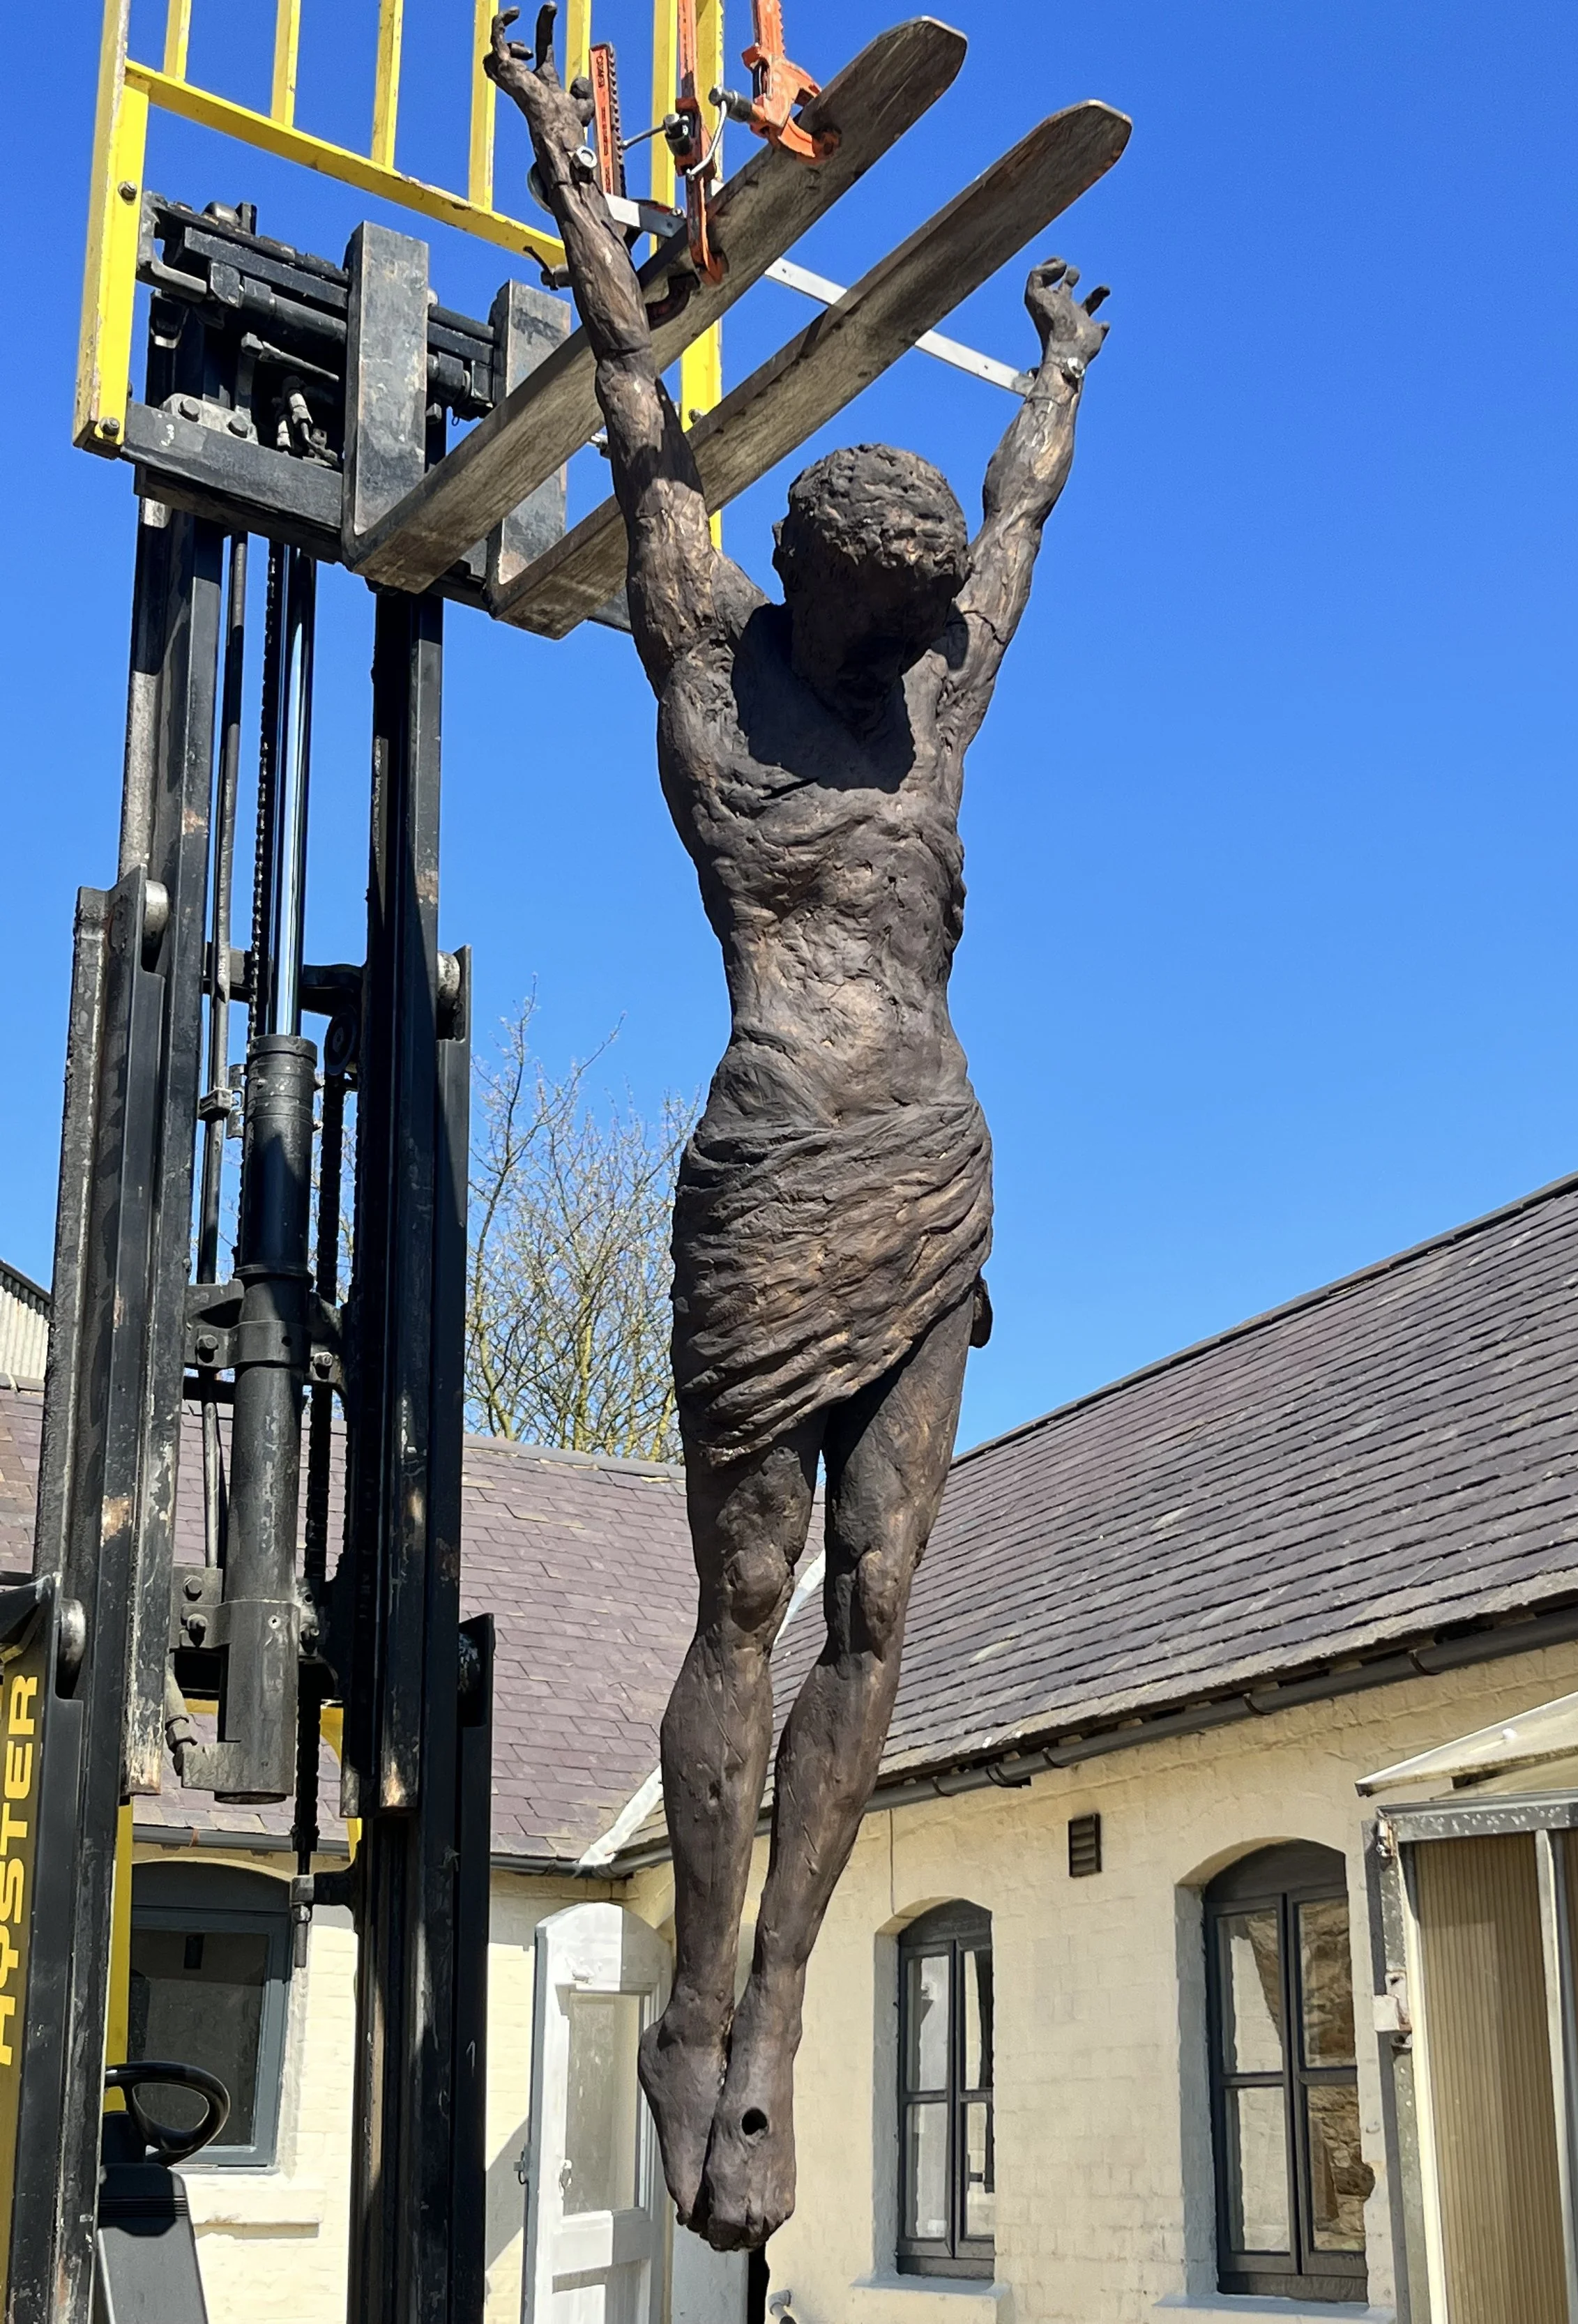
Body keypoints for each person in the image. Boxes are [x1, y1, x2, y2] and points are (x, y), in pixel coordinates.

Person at [488, 6, 1109, 2250]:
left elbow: (1021, 537)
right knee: (740, 1601)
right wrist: (576, 170)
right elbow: (653, 431)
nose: (922, 646)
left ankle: (781, 2002)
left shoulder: (935, 699)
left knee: (881, 1597)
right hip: (766, 1185)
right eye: (893, 617)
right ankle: (694, 1997)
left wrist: (1051, 379)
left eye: (928, 622)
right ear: (824, 599)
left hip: (933, 1176)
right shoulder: (709, 681)